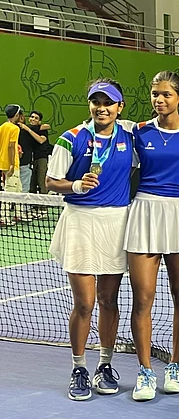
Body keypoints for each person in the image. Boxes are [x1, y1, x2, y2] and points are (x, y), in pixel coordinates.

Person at [46, 80, 138, 400]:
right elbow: (50, 181)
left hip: (116, 222)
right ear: (89, 105)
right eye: (95, 101)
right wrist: (75, 186)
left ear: (119, 106)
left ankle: (105, 364)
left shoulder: (129, 135)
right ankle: (79, 367)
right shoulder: (71, 138)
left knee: (108, 300)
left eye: (108, 102)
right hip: (80, 222)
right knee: (84, 302)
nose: (101, 107)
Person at [125, 71, 179, 401]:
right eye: (155, 94)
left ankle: (175, 365)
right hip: (144, 212)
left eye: (166, 94)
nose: (159, 100)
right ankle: (145, 371)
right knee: (143, 298)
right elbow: (118, 168)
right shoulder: (138, 133)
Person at [0, 104, 23, 225]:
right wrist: (11, 165)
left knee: (18, 189)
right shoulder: (15, 129)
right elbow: (10, 147)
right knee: (9, 192)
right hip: (11, 165)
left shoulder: (2, 127)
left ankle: (18, 215)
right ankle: (3, 218)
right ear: (16, 115)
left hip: (3, 163)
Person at [28, 110, 52, 196]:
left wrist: (28, 129)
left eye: (36, 118)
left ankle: (43, 206)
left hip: (42, 158)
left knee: (42, 181)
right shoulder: (27, 129)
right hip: (31, 159)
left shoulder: (42, 130)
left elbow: (41, 140)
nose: (33, 119)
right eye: (32, 117)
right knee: (32, 183)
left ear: (39, 121)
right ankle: (32, 205)